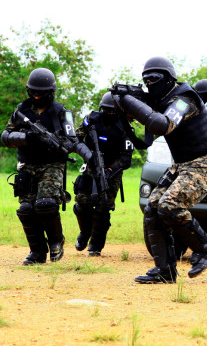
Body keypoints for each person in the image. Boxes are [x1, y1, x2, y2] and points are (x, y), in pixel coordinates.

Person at [111, 56, 207, 284]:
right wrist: (125, 103)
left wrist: (130, 102)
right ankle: (165, 271)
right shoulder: (159, 99)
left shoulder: (185, 99)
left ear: (169, 78)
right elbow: (147, 121)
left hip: (205, 162)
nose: (150, 83)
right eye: (146, 79)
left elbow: (162, 124)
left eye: (155, 78)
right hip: (182, 164)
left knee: (169, 206)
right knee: (152, 208)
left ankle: (204, 247)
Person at [1, 68, 88, 265]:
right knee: (26, 209)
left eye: (42, 92)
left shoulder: (61, 113)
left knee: (46, 204)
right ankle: (37, 252)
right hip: (27, 165)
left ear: (51, 92)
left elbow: (71, 140)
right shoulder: (20, 111)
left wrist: (61, 146)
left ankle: (56, 241)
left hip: (52, 165)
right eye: (34, 92)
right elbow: (5, 137)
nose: (37, 96)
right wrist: (26, 137)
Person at [72, 92, 134, 256]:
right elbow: (75, 138)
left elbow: (126, 158)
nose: (109, 113)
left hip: (112, 172)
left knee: (102, 208)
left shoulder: (125, 127)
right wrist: (87, 154)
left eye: (113, 111)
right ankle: (85, 233)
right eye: (106, 110)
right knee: (81, 204)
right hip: (91, 165)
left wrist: (110, 171)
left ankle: (95, 246)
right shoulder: (91, 119)